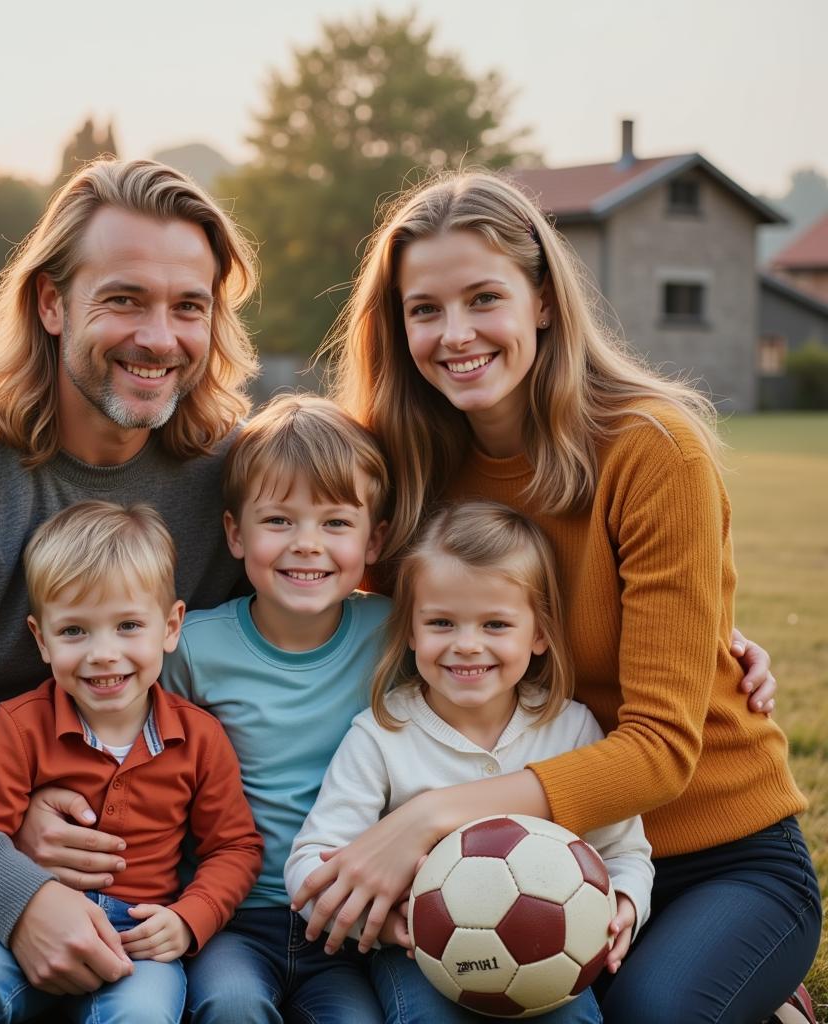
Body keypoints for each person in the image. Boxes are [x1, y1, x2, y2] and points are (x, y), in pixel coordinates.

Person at [292, 170, 821, 1024]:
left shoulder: (652, 451)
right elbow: (300, 580)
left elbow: (657, 748)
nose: (453, 334)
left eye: (483, 298)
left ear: (542, 300)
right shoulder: (408, 468)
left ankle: (765, 996)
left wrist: (428, 816)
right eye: (424, 309)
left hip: (715, 852)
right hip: (513, 862)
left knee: (649, 1013)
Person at [0, 157, 260, 1023]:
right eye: (124, 299)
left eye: (190, 307)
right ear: (52, 304)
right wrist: (15, 890)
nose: (160, 336)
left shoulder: (237, 483)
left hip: (150, 873)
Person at [286, 501, 654, 1024]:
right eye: (441, 622)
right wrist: (393, 921)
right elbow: (310, 862)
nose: (466, 645)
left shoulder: (571, 729)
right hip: (418, 958)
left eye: (496, 624)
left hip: (554, 956)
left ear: (540, 633)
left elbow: (625, 853)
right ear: (410, 631)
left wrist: (623, 905)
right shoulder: (382, 735)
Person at [0, 500, 263, 1022]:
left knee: (141, 1015)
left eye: (127, 626)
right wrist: (20, 895)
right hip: (27, 916)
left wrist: (190, 918)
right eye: (74, 631)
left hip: (138, 937)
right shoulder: (20, 727)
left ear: (170, 626)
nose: (102, 653)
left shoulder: (198, 737)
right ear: (41, 638)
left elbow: (234, 846)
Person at [158, 393, 391, 1023]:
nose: (307, 545)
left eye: (337, 523)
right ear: (236, 534)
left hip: (343, 920)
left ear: (376, 541)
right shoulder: (194, 647)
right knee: (230, 1006)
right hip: (230, 913)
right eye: (279, 521)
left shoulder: (395, 636)